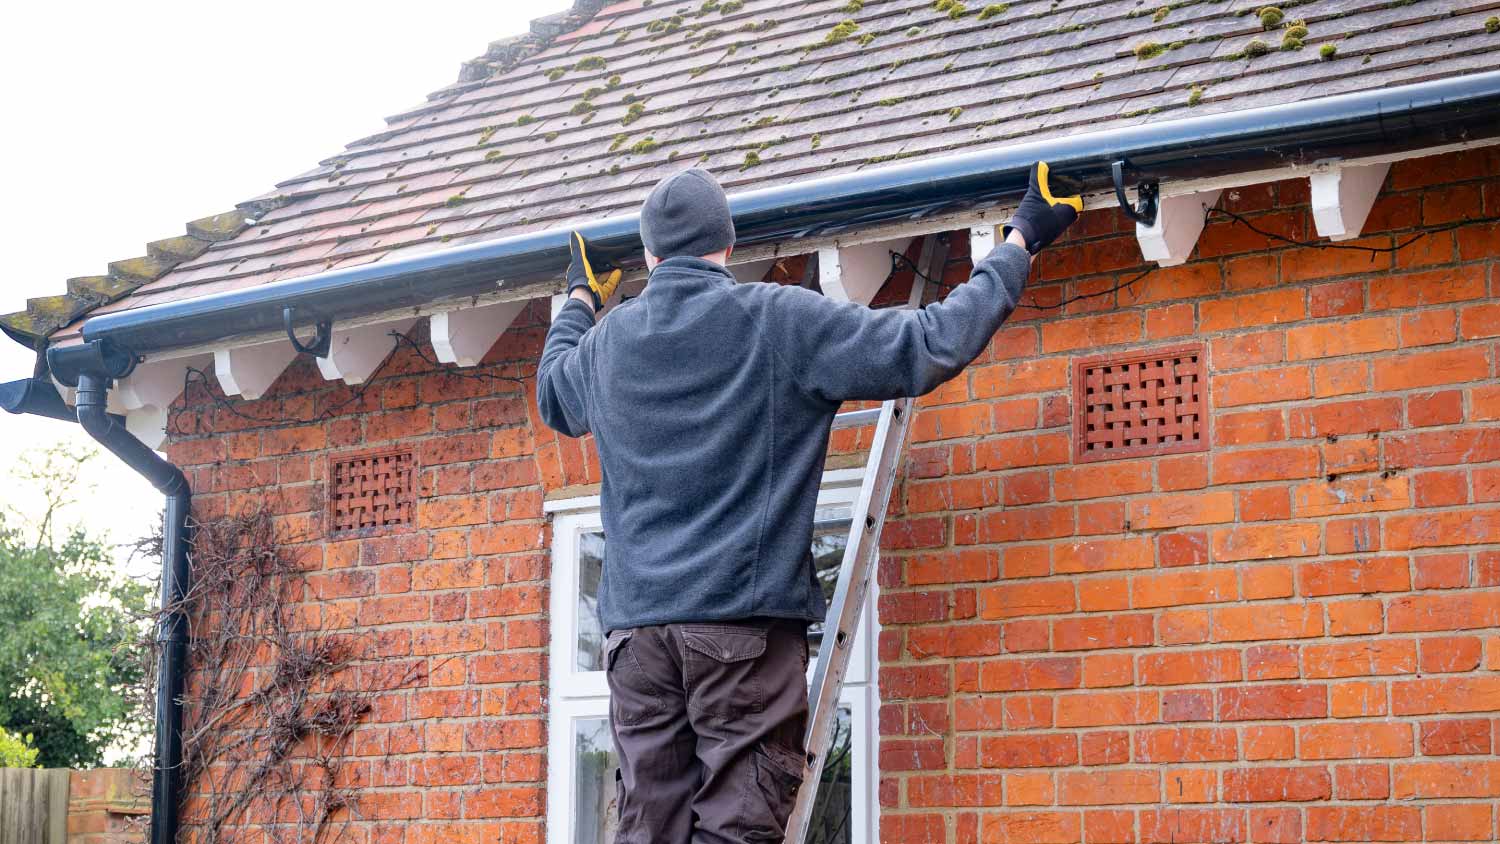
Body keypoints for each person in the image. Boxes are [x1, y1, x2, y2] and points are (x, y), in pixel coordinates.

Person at [537, 163, 1081, 843]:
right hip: (739, 625)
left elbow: (553, 392)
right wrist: (1021, 239)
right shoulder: (776, 318)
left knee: (648, 830)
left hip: (636, 642)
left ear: (649, 255)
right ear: (727, 246)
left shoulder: (605, 346)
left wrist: (582, 294)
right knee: (737, 829)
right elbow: (928, 343)